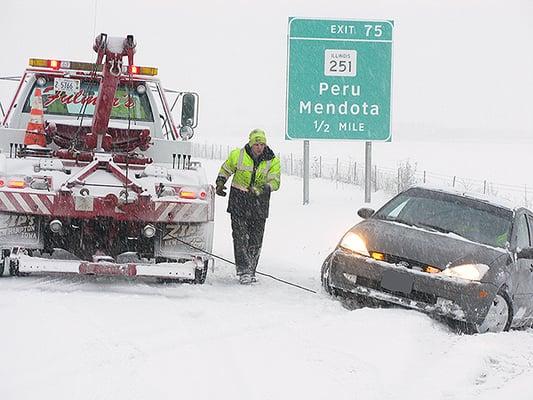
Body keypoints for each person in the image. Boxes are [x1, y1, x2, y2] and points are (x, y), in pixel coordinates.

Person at [215, 129, 281, 284]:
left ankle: (252, 269)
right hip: (238, 200)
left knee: (255, 239)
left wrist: (261, 189)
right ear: (251, 144)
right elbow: (226, 168)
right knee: (240, 236)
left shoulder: (273, 161)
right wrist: (220, 182)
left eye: (262, 144)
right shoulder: (237, 155)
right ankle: (244, 270)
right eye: (256, 144)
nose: (259, 147)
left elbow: (275, 182)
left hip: (259, 203)